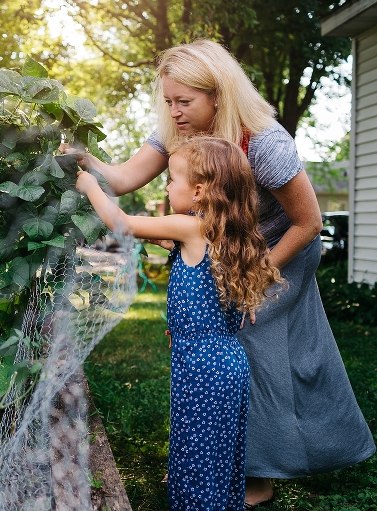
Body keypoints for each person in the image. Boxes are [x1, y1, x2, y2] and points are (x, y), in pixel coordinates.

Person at [70, 39, 375, 508]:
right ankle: (214, 461)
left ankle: (256, 476)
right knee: (226, 346)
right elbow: (126, 178)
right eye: (168, 101)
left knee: (250, 348)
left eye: (184, 101)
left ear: (218, 95)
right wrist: (86, 163)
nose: (173, 112)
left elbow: (309, 222)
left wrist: (250, 282)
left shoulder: (266, 143)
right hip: (227, 251)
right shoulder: (181, 133)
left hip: (280, 250)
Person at [78, 136, 284, 509]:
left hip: (202, 366)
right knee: (216, 450)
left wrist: (91, 184)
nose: (167, 185)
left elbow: (121, 223)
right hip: (227, 361)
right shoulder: (228, 234)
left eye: (172, 180)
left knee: (197, 448)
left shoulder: (191, 228)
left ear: (200, 190)